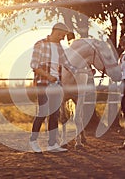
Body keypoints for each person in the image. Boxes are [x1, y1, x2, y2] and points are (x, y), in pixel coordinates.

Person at [29, 23, 77, 153]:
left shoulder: (59, 47)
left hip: (57, 85)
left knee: (54, 114)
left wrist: (81, 71)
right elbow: (34, 65)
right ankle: (33, 140)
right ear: (56, 31)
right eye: (62, 35)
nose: (62, 38)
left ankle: (52, 144)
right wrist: (49, 76)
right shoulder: (40, 44)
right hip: (43, 83)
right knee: (43, 112)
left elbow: (67, 64)